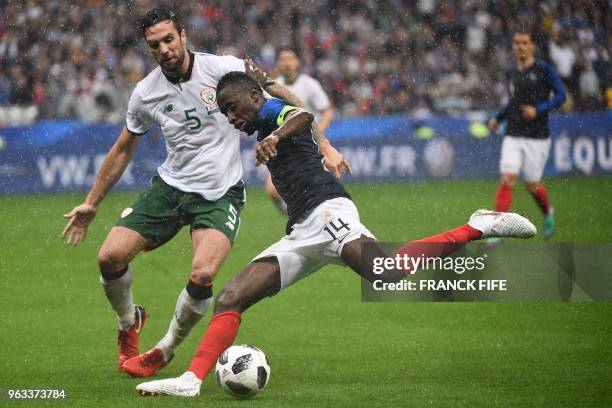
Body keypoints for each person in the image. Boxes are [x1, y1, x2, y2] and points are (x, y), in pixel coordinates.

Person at [134, 71, 536, 397]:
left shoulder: (274, 116)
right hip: (303, 231)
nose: (229, 117)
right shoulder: (265, 117)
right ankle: (191, 381)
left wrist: (275, 132)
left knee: (388, 273)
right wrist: (271, 104)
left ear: (253, 97)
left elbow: (301, 116)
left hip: (328, 212)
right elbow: (292, 110)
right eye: (223, 111)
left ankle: (479, 225)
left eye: (232, 108)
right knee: (231, 296)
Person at [60, 8, 340, 379]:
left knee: (203, 273)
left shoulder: (223, 68)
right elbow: (124, 149)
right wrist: (91, 203)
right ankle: (130, 322)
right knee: (109, 257)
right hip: (170, 187)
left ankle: (165, 349)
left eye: (168, 40)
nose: (163, 49)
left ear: (183, 36)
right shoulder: (146, 93)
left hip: (220, 193)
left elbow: (284, 101)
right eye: (154, 44)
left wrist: (325, 144)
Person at [488, 30, 566, 240]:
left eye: (524, 42)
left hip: (537, 136)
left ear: (532, 46)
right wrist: (498, 118)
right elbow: (513, 102)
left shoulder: (543, 69)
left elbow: (561, 96)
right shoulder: (512, 72)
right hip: (513, 133)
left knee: (532, 184)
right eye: (516, 43)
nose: (520, 46)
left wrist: (538, 109)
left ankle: (548, 213)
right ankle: (498, 227)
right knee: (507, 179)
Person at [265, 48, 345, 213]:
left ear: (297, 62)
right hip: (283, 144)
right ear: (278, 63)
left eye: (290, 59)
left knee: (321, 186)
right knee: (272, 191)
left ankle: (331, 217)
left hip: (309, 144)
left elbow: (327, 111)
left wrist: (318, 135)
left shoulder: (310, 85)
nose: (286, 63)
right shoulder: (273, 86)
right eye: (282, 59)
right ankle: (297, 216)